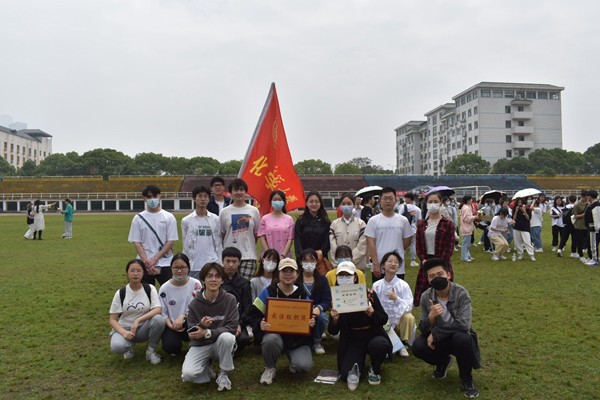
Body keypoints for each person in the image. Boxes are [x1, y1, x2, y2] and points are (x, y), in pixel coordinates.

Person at [412, 258, 480, 399]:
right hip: (439, 340)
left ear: (448, 275)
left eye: (440, 274)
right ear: (428, 280)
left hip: (457, 337)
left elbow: (464, 324)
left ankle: (467, 380)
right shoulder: (426, 296)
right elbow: (423, 328)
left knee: (462, 338)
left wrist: (436, 333)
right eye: (432, 276)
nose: (436, 278)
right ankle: (443, 361)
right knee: (417, 347)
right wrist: (431, 317)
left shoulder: (461, 293)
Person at [248, 258, 315, 385]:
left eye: (291, 271)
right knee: (270, 339)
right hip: (275, 337)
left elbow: (309, 320)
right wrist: (260, 324)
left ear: (297, 274)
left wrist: (311, 324)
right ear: (278, 274)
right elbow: (252, 315)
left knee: (303, 366)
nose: (288, 274)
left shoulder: (302, 295)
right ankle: (270, 367)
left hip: (296, 340)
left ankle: (292, 358)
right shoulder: (268, 292)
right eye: (284, 271)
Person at [328, 261, 392, 389]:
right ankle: (358, 363)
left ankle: (374, 368)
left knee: (379, 345)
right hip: (352, 338)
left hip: (372, 334)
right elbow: (333, 331)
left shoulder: (369, 294)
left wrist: (372, 313)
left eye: (348, 275)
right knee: (346, 374)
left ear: (355, 277)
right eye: (341, 276)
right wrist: (334, 319)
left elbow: (383, 318)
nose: (344, 279)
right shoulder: (337, 298)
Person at [181, 262, 238, 391]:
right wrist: (201, 325)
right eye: (209, 276)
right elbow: (192, 333)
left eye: (217, 276)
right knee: (188, 375)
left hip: (220, 343)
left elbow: (232, 327)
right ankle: (207, 366)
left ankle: (223, 373)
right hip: (200, 345)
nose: (213, 279)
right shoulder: (195, 303)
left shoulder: (230, 299)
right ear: (203, 280)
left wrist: (208, 332)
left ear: (222, 280)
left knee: (228, 337)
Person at [109, 259, 165, 365]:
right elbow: (112, 319)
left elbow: (158, 309)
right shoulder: (120, 293)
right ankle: (129, 346)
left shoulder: (150, 289)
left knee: (159, 319)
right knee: (117, 347)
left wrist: (138, 320)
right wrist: (124, 333)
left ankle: (151, 351)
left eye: (139, 271)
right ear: (127, 272)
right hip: (125, 328)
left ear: (144, 272)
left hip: (143, 328)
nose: (135, 274)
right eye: (132, 271)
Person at [128, 185, 178, 286]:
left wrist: (155, 259)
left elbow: (171, 241)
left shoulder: (169, 217)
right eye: (149, 197)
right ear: (144, 198)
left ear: (159, 196)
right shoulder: (138, 218)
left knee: (169, 291)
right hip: (144, 263)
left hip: (165, 262)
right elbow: (136, 242)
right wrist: (146, 261)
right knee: (145, 292)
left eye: (155, 196)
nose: (152, 199)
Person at [414, 191, 455, 307]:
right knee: (426, 297)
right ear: (426, 203)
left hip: (442, 262)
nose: (433, 204)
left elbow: (450, 246)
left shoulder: (448, 224)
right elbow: (419, 245)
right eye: (430, 202)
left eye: (435, 201)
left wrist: (440, 262)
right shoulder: (421, 224)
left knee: (444, 296)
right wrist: (423, 259)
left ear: (441, 203)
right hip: (426, 262)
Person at [371, 251, 415, 356]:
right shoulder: (377, 285)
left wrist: (396, 299)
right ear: (383, 265)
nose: (393, 264)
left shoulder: (403, 285)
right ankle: (394, 344)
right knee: (381, 320)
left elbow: (409, 306)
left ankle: (402, 343)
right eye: (390, 261)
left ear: (399, 266)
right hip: (384, 322)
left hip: (399, 321)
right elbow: (373, 305)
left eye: (396, 262)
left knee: (409, 317)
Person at [365, 187, 413, 282]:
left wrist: (398, 248)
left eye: (390, 198)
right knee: (378, 290)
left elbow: (408, 239)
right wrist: (375, 263)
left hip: (397, 266)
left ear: (396, 200)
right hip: (379, 265)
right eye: (385, 198)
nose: (388, 201)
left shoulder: (403, 220)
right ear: (380, 201)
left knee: (397, 290)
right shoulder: (373, 220)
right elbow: (370, 243)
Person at [158, 254, 202, 356]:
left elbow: (198, 306)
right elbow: (163, 312)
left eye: (182, 267)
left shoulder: (196, 284)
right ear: (171, 268)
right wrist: (170, 325)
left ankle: (196, 345)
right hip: (173, 324)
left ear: (188, 268)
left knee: (199, 338)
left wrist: (183, 316)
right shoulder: (164, 288)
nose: (179, 271)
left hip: (191, 322)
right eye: (175, 267)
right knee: (171, 347)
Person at [219, 178, 260, 280]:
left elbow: (256, 234)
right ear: (231, 193)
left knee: (245, 286)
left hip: (248, 257)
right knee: (228, 286)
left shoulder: (254, 211)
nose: (238, 192)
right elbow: (223, 234)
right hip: (229, 257)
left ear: (246, 192)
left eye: (241, 190)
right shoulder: (224, 212)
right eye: (235, 190)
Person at [181, 186, 223, 279]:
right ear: (194, 198)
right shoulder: (186, 220)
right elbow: (185, 243)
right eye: (200, 196)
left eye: (205, 196)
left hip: (212, 264)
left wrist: (220, 261)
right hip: (193, 265)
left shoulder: (215, 219)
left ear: (209, 199)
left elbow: (219, 242)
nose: (203, 199)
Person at [297, 249, 332, 355]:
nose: (309, 264)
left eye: (312, 260)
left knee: (322, 318)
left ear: (316, 262)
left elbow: (327, 300)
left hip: (317, 310)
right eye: (305, 261)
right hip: (300, 310)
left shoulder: (322, 280)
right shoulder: (296, 280)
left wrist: (318, 308)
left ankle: (317, 342)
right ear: (300, 262)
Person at [220, 247, 253, 352]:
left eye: (234, 261)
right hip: (218, 320)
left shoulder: (244, 283)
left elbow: (247, 307)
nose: (231, 265)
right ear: (222, 261)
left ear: (239, 263)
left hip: (237, 320)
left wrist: (239, 324)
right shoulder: (216, 281)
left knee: (242, 339)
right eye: (228, 261)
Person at [329, 193, 368, 271]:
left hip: (357, 266)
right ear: (340, 206)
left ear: (353, 205)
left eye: (349, 203)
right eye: (343, 204)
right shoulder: (334, 224)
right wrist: (339, 261)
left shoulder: (361, 224)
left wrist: (350, 261)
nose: (346, 206)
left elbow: (362, 246)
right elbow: (332, 247)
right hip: (339, 267)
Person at [294, 191, 331, 271]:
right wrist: (302, 256)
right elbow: (297, 241)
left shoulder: (326, 222)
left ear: (320, 203)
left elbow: (327, 241)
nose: (314, 204)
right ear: (306, 203)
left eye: (316, 201)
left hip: (320, 259)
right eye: (311, 201)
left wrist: (321, 253)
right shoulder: (300, 221)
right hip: (304, 259)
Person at [258, 190, 295, 259]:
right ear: (271, 202)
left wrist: (283, 255)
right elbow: (262, 238)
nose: (277, 202)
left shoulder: (289, 219)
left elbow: (290, 239)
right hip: (268, 258)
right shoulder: (265, 219)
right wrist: (268, 254)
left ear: (284, 202)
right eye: (274, 200)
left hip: (284, 258)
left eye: (279, 199)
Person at [402, 192, 422, 267]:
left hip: (403, 229)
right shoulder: (418, 209)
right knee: (413, 245)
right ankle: (413, 261)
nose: (405, 199)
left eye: (406, 198)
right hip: (413, 229)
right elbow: (419, 221)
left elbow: (399, 218)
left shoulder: (403, 207)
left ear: (409, 198)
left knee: (402, 245)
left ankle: (401, 260)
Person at [572, 190, 590, 263]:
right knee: (580, 241)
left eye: (587, 198)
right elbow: (575, 216)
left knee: (587, 240)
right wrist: (584, 214)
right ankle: (581, 255)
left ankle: (588, 255)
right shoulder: (577, 205)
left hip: (587, 225)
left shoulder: (588, 204)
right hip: (579, 226)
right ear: (582, 197)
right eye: (585, 198)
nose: (586, 199)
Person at [583, 189, 600, 266]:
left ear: (590, 196)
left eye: (587, 196)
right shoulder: (592, 205)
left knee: (593, 245)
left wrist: (596, 228)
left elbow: (596, 217)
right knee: (590, 244)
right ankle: (591, 258)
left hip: (594, 228)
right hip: (590, 227)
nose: (587, 198)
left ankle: (595, 260)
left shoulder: (596, 206)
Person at [459, 196, 477, 263]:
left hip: (467, 227)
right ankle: (464, 257)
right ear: (468, 200)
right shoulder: (466, 208)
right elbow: (466, 219)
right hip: (466, 228)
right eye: (471, 199)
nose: (472, 200)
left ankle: (467, 256)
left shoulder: (466, 207)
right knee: (465, 244)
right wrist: (474, 217)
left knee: (467, 244)